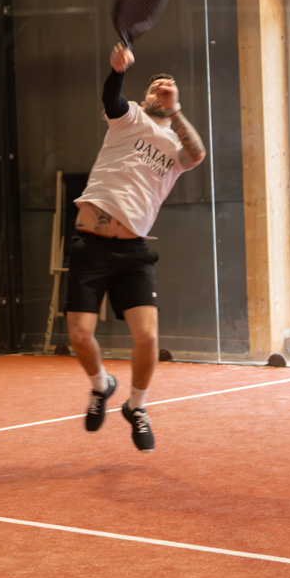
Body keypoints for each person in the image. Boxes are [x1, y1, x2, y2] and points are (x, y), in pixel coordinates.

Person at [66, 42, 206, 452]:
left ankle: (137, 406)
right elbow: (111, 96)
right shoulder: (128, 119)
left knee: (147, 338)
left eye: (168, 89)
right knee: (79, 334)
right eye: (155, 89)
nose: (161, 92)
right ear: (144, 98)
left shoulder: (177, 148)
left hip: (133, 255)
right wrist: (119, 70)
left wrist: (176, 109)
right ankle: (101, 386)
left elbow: (197, 154)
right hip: (90, 247)